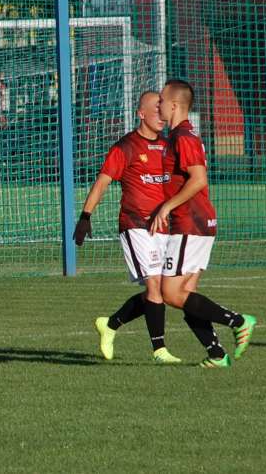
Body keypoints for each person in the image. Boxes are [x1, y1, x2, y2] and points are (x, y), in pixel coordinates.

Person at [151, 79, 257, 368]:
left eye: (160, 99)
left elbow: (198, 180)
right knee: (187, 295)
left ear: (174, 105)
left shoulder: (183, 138)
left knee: (170, 292)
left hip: (190, 222)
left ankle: (238, 321)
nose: (157, 104)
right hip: (194, 223)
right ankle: (216, 355)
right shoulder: (177, 136)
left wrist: (168, 206)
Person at [74, 91, 181, 364]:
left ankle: (110, 325)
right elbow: (102, 182)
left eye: (163, 109)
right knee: (155, 286)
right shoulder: (126, 147)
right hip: (135, 225)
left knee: (159, 290)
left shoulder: (169, 146)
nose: (161, 114)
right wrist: (85, 217)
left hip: (164, 227)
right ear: (141, 114)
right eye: (155, 109)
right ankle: (160, 350)